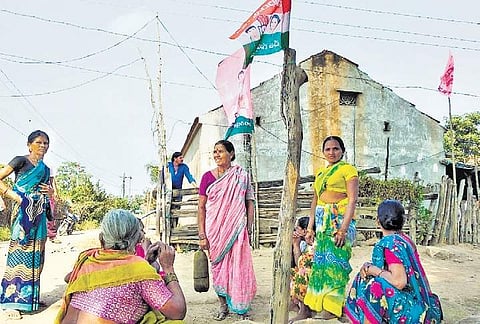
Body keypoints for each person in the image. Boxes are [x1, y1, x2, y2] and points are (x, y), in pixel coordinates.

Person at [55, 209, 186, 324]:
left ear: (102, 239)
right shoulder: (138, 269)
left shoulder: (87, 259)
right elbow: (177, 311)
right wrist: (168, 267)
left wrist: (146, 262)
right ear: (138, 239)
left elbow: (117, 275)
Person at [344, 200, 443, 323]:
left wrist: (375, 270)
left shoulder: (391, 245)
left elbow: (399, 282)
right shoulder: (404, 240)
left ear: (378, 221)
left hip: (412, 311)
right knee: (365, 273)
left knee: (374, 286)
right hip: (419, 300)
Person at [197, 140, 256, 321]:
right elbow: (201, 207)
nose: (216, 155)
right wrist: (202, 235)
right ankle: (223, 305)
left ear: (231, 153)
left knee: (239, 265)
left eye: (220, 151)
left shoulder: (241, 175)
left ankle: (240, 306)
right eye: (214, 152)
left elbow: (250, 202)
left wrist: (248, 227)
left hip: (237, 229)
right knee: (218, 267)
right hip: (215, 231)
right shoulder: (207, 177)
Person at [0, 130, 55, 320]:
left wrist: (50, 193)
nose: (43, 146)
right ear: (29, 145)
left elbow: (51, 195)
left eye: (46, 143)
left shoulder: (47, 169)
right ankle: (12, 302)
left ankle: (30, 297)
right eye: (39, 142)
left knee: (37, 255)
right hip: (22, 215)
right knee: (19, 253)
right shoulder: (19, 161)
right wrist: (15, 196)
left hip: (39, 216)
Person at [303, 135, 359, 320]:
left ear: (342, 151)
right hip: (321, 222)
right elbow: (315, 201)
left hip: (339, 221)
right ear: (323, 152)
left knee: (336, 265)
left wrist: (343, 228)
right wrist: (310, 228)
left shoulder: (348, 170)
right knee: (321, 264)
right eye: (328, 149)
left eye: (336, 148)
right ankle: (318, 306)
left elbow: (352, 200)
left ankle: (333, 308)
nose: (332, 152)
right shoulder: (320, 173)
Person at [289, 216, 315, 323]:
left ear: (305, 230)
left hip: (316, 273)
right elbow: (296, 263)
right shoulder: (303, 242)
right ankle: (295, 304)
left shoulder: (313, 244)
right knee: (291, 271)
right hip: (307, 270)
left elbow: (301, 264)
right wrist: (295, 244)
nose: (295, 231)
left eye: (297, 228)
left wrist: (296, 245)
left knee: (301, 275)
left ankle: (305, 310)